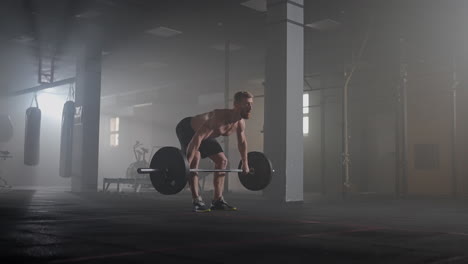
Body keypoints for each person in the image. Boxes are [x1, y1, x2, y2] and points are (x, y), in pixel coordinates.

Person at [176, 91, 253, 212]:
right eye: (247, 104)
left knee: (222, 161)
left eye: (251, 104)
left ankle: (217, 200)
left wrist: (245, 163)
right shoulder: (218, 118)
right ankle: (196, 200)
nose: (250, 108)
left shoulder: (240, 123)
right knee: (194, 161)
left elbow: (242, 143)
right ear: (236, 104)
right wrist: (185, 165)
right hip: (188, 128)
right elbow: (197, 139)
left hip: (206, 135)